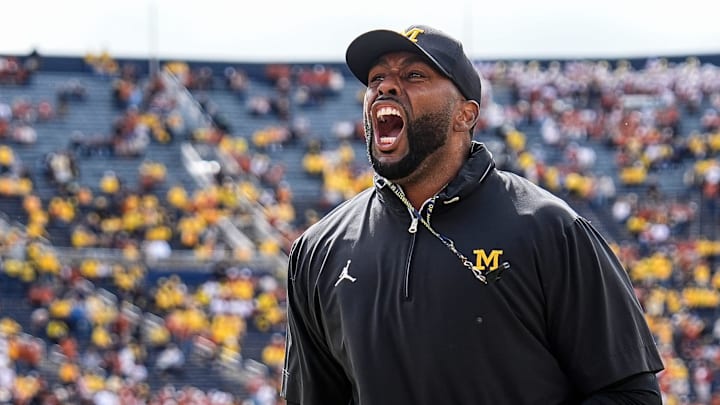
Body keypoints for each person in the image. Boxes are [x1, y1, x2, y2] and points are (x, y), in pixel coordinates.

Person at [281, 24, 665, 404]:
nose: (386, 86)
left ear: (464, 115)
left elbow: (633, 396)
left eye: (414, 75)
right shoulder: (318, 252)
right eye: (376, 77)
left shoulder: (551, 229)